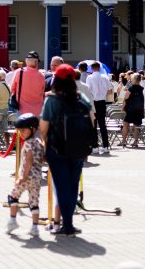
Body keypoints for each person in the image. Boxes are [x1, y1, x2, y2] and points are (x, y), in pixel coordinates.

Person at [40, 63, 92, 236]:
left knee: (62, 186)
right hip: (78, 148)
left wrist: (44, 148)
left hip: (57, 148)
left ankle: (67, 225)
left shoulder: (52, 100)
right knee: (72, 185)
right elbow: (91, 120)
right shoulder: (81, 98)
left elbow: (43, 128)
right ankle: (69, 224)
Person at [6, 114, 44, 237]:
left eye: (23, 130)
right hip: (37, 178)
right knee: (34, 202)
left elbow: (28, 160)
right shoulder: (39, 143)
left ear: (32, 129)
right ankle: (34, 227)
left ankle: (12, 220)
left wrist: (23, 177)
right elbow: (42, 158)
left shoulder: (28, 144)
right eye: (19, 131)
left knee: (13, 196)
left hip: (26, 177)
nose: (21, 133)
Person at [86, 62, 112, 154]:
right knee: (102, 124)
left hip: (93, 102)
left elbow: (88, 90)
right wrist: (103, 94)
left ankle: (95, 146)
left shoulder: (89, 77)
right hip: (102, 102)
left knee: (93, 124)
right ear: (99, 68)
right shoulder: (105, 77)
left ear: (92, 68)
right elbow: (110, 91)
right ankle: (105, 146)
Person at [119, 73, 145, 148]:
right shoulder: (142, 89)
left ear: (133, 79)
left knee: (125, 125)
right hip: (139, 110)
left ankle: (124, 141)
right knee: (136, 126)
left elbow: (125, 99)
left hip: (130, 110)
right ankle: (135, 141)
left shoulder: (130, 88)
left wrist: (123, 108)